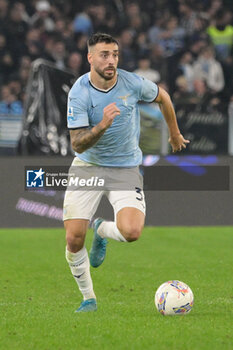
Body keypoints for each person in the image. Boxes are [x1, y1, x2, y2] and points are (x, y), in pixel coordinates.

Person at [63, 33, 189, 313]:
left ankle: (102, 230)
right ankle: (89, 298)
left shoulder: (132, 83)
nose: (111, 60)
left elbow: (163, 97)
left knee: (132, 232)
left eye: (115, 54)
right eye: (105, 55)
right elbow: (77, 142)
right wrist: (102, 126)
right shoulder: (79, 92)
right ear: (90, 58)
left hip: (125, 167)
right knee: (73, 239)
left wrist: (175, 133)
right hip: (88, 166)